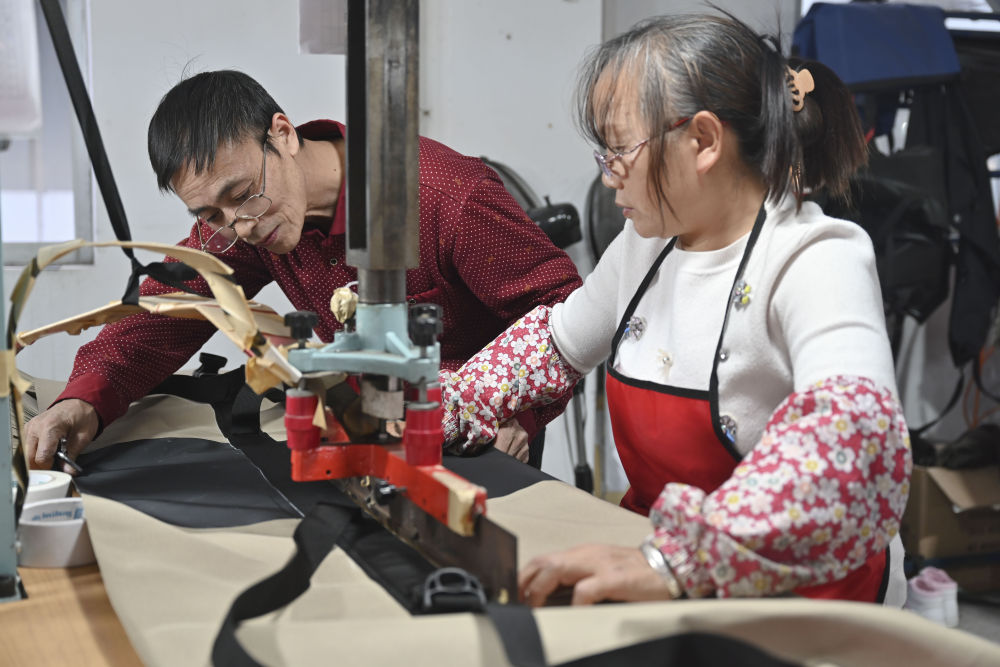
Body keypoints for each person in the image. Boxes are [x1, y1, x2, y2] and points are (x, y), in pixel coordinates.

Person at [440, 13, 911, 606]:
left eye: (620, 150)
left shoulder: (816, 258)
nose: (609, 177)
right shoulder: (645, 245)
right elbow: (555, 346)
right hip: (666, 563)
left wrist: (677, 560)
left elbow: (856, 444)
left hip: (799, 596)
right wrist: (431, 407)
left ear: (704, 141)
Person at [25, 69, 581, 470]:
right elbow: (170, 310)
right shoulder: (250, 221)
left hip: (481, 439)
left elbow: (565, 311)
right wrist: (85, 399)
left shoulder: (446, 198)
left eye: (241, 194)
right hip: (370, 434)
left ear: (284, 134)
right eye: (209, 215)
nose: (237, 225)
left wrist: (522, 418)